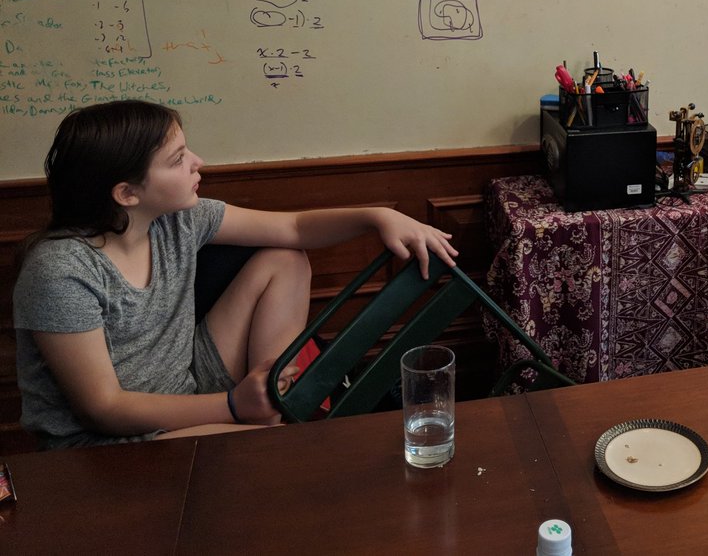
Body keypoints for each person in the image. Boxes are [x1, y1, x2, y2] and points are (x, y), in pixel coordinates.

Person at [12, 100, 458, 449]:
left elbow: (294, 228)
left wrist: (377, 216)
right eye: (178, 159)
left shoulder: (178, 220)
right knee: (282, 453)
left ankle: (273, 398)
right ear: (127, 193)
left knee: (285, 258)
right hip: (107, 441)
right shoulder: (60, 272)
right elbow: (103, 408)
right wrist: (231, 406)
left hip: (187, 384)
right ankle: (261, 417)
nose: (198, 162)